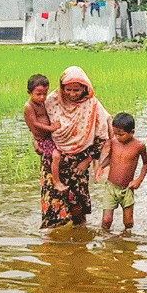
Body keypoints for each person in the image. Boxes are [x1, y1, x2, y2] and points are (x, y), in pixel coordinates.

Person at [41, 66, 111, 228]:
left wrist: (87, 160)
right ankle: (54, 246)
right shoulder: (52, 101)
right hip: (54, 162)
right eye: (68, 89)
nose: (72, 94)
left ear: (85, 88)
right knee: (53, 205)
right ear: (62, 87)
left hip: (78, 163)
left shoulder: (92, 105)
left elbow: (102, 135)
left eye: (77, 90)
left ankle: (81, 240)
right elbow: (40, 128)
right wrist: (41, 145)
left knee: (78, 205)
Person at [95, 112, 147, 231]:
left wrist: (139, 180)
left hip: (127, 188)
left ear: (132, 132)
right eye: (115, 133)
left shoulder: (139, 146)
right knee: (106, 220)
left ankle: (126, 241)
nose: (118, 137)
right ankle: (105, 239)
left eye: (121, 134)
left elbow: (146, 164)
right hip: (110, 187)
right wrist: (101, 167)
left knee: (128, 222)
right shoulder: (114, 142)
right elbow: (110, 158)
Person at [24, 74, 65, 191]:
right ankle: (56, 181)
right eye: (38, 94)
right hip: (42, 139)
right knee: (56, 156)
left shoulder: (42, 102)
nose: (42, 97)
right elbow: (34, 123)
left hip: (49, 137)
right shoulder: (29, 106)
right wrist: (51, 128)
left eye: (45, 94)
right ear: (29, 92)